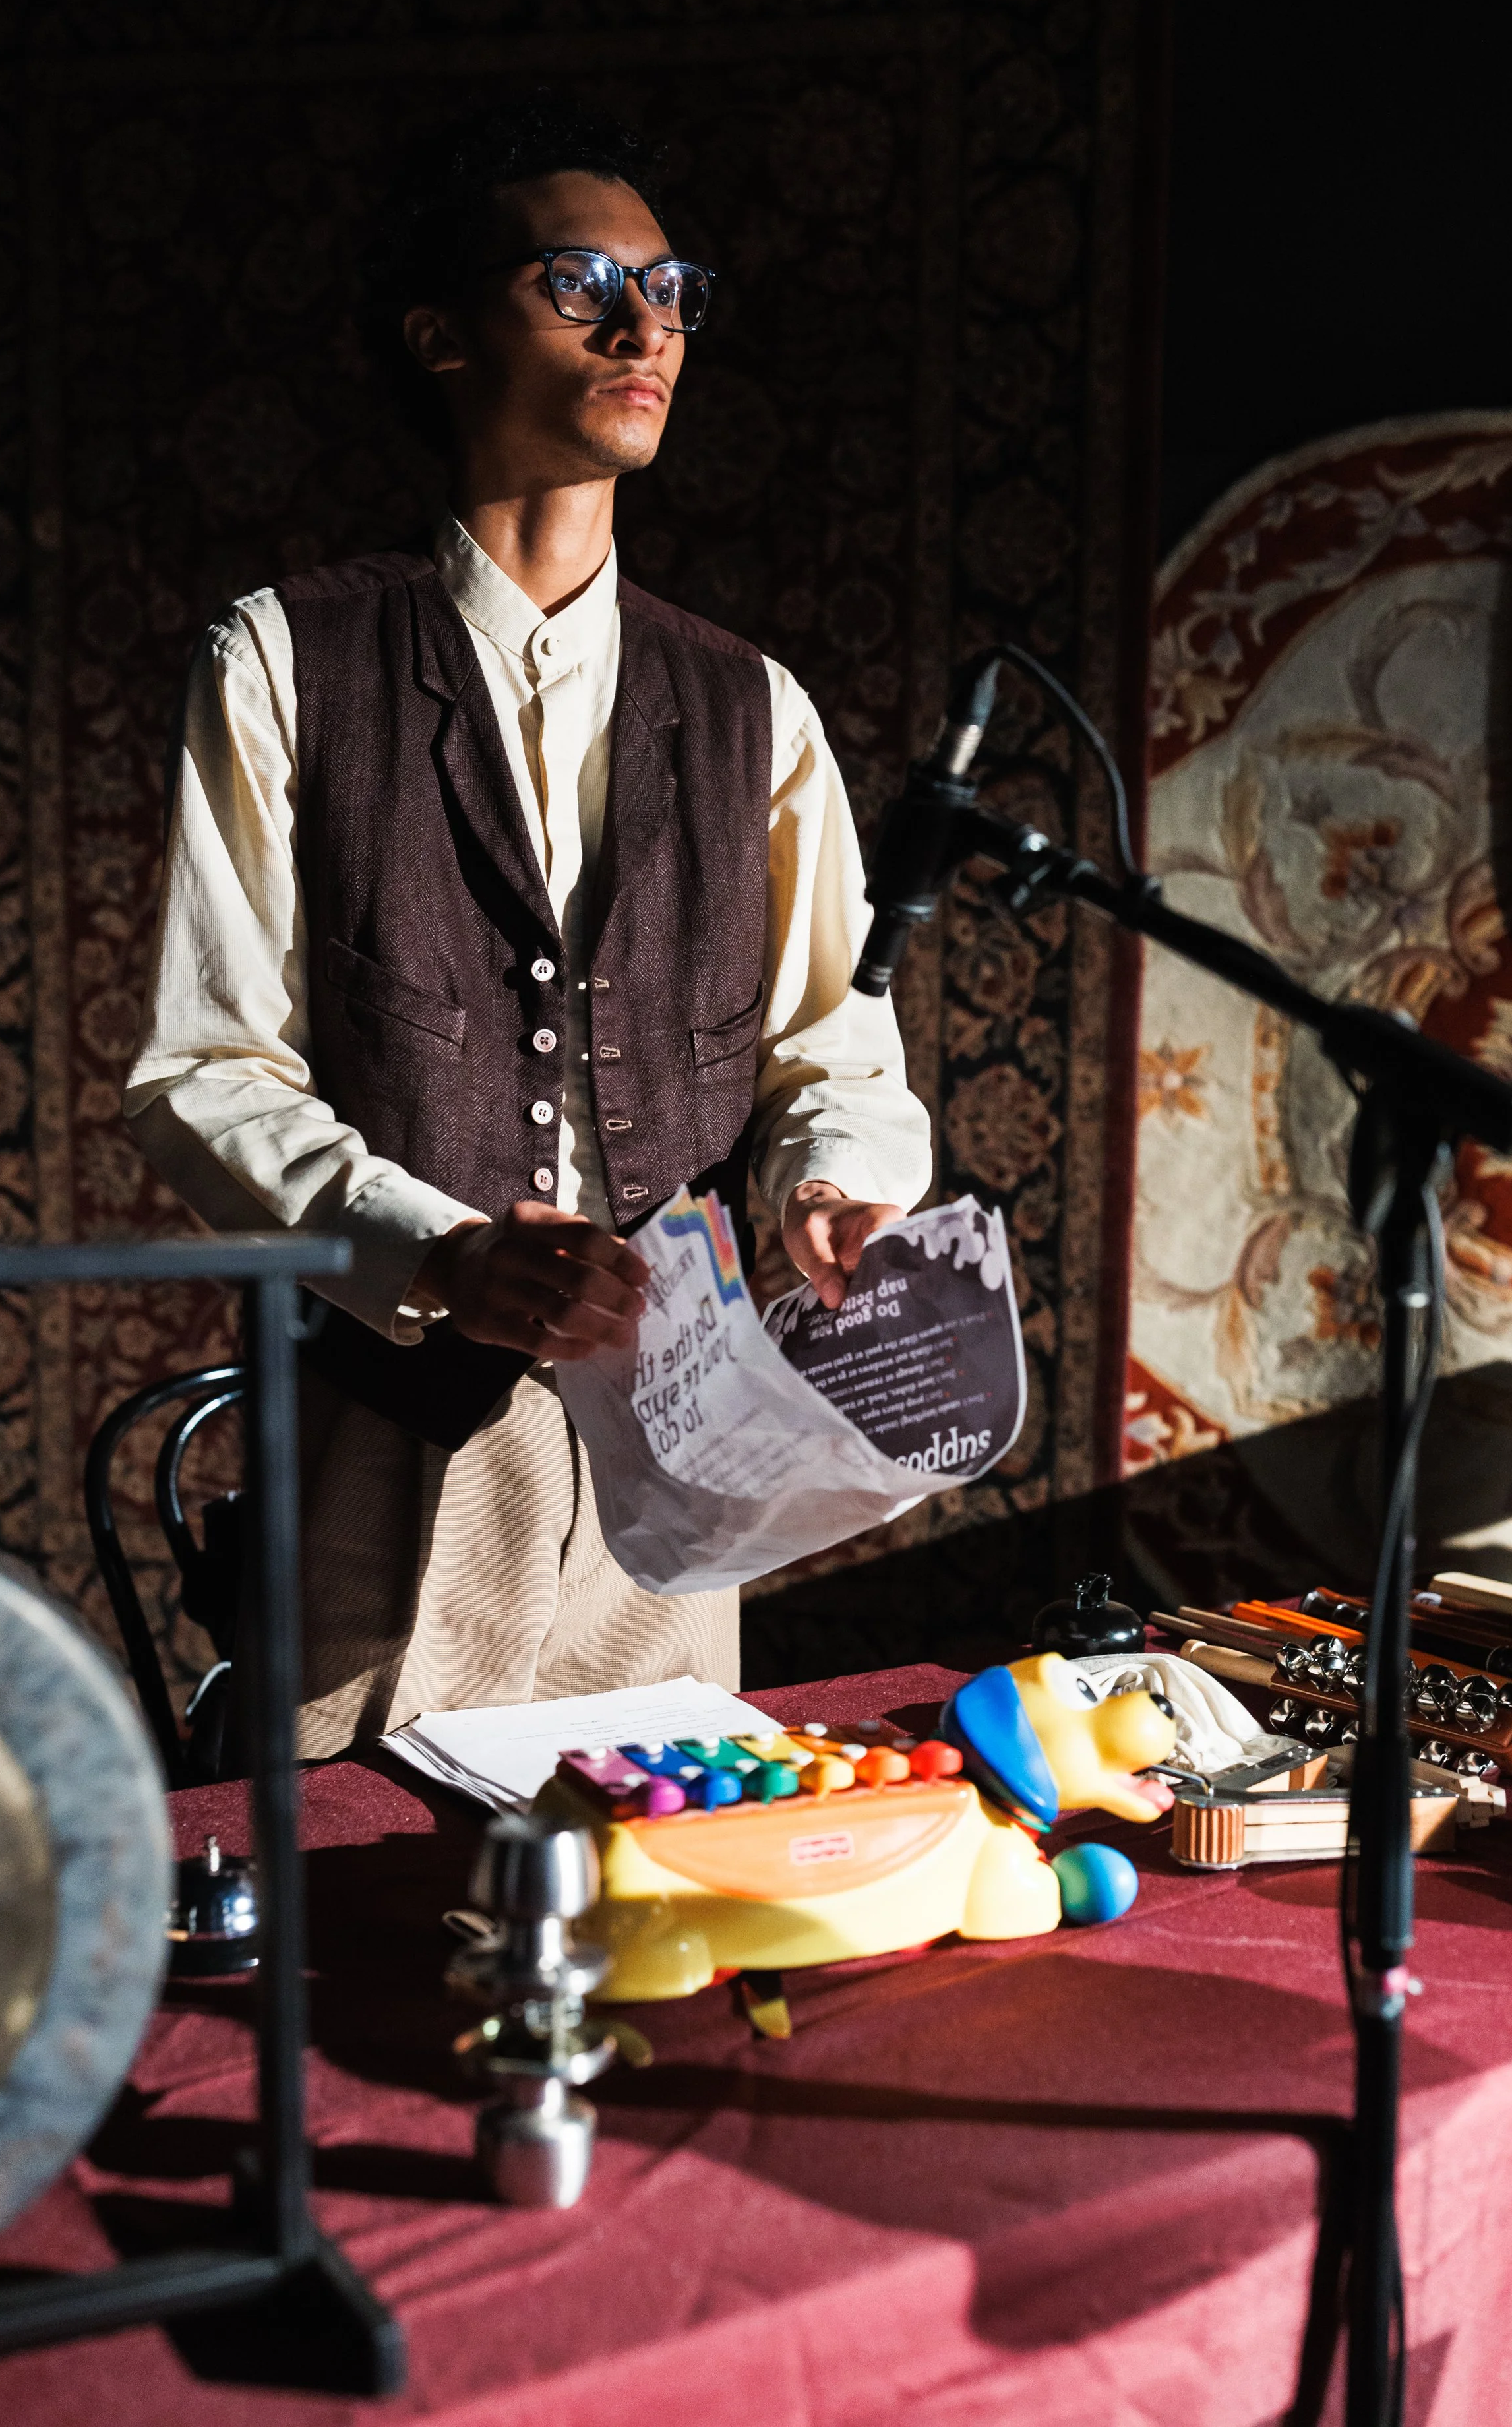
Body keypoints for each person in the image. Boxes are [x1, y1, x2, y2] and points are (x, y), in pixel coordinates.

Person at [125, 96, 932, 1756]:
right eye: (581, 283)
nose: (646, 330)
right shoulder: (284, 659)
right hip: (384, 1436)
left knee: (657, 1868)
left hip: (679, 1451)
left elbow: (832, 1053)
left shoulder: (753, 708)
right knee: (366, 1879)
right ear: (440, 334)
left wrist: (830, 1186)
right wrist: (439, 1254)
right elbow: (202, 1072)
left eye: (671, 291)